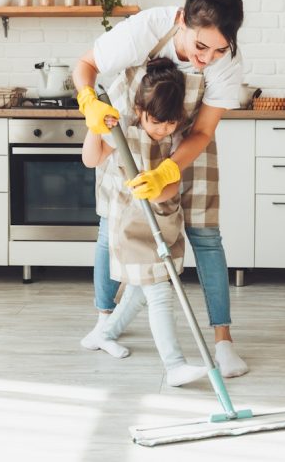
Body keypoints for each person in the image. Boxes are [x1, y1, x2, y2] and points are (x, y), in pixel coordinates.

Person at [75, 0, 249, 378]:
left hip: (189, 144)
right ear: (182, 22)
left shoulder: (227, 64)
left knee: (206, 237)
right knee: (111, 228)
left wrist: (170, 171)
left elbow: (203, 131)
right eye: (199, 46)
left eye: (219, 49)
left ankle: (223, 342)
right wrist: (89, 105)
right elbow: (87, 66)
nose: (207, 58)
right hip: (131, 136)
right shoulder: (150, 27)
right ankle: (105, 321)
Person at [81, 58, 207, 387]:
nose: (160, 129)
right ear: (139, 109)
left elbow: (174, 184)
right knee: (159, 292)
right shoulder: (121, 130)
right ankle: (175, 365)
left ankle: (104, 335)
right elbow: (90, 160)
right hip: (131, 226)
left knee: (139, 290)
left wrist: (160, 183)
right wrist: (95, 129)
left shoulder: (177, 137)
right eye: (154, 121)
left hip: (164, 221)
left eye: (168, 123)